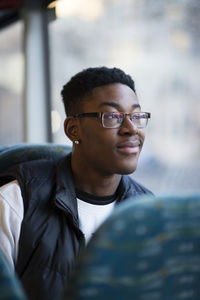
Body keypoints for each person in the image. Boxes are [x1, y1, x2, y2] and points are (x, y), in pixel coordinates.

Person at [0, 66, 153, 300]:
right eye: (112, 116)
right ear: (73, 129)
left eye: (136, 116)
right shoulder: (15, 201)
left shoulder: (148, 211)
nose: (131, 129)